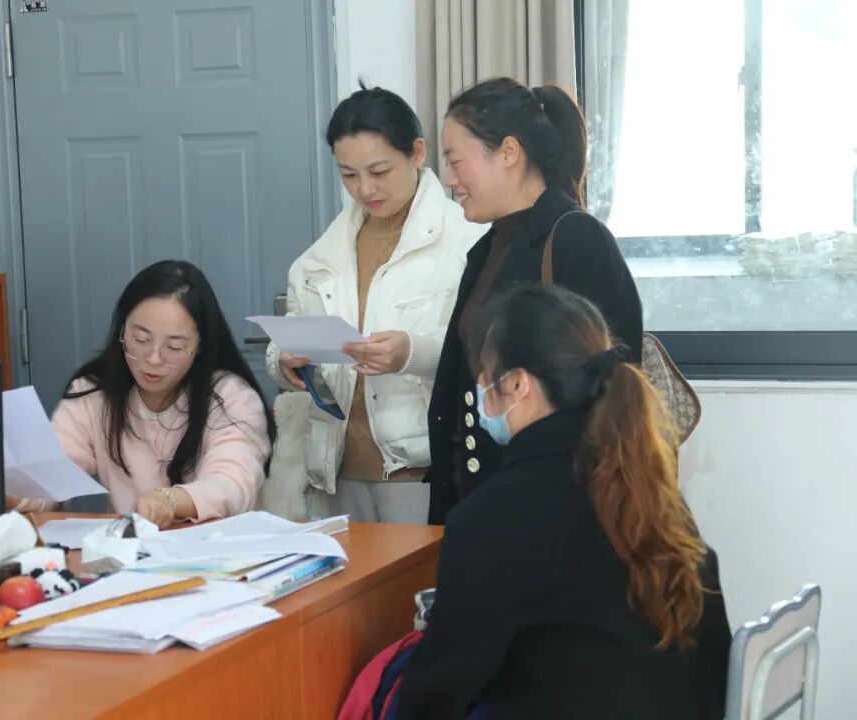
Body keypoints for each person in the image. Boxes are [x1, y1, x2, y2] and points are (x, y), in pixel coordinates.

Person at [396, 284, 731, 719]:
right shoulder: (647, 489)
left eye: (485, 373)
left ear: (518, 384)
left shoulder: (492, 517)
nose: (478, 387)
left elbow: (434, 696)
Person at [427, 77, 644, 524]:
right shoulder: (487, 249)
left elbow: (611, 386)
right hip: (482, 499)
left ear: (508, 152)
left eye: (454, 161)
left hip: (553, 506)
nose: (448, 180)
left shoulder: (576, 238)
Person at [265, 84, 483, 524]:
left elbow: (482, 350)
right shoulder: (322, 255)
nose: (364, 189)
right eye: (348, 175)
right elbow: (292, 331)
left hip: (420, 468)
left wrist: (411, 352)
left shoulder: (467, 240)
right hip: (336, 469)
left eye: (379, 171)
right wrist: (284, 360)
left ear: (417, 152)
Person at [35, 260, 273, 528]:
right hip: (133, 550)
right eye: (141, 340)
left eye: (174, 347)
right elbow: (53, 475)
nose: (153, 359)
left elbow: (232, 482)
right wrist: (21, 495)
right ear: (122, 329)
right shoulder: (93, 393)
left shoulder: (230, 397)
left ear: (200, 345)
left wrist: (170, 500)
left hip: (218, 547)